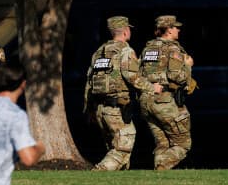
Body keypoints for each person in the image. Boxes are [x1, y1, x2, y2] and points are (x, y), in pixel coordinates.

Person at [84, 16, 162, 171]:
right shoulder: (125, 51)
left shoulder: (99, 52)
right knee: (123, 147)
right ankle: (99, 172)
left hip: (100, 109)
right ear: (126, 32)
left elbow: (89, 82)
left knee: (115, 148)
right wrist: (151, 88)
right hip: (116, 109)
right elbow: (132, 77)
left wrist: (90, 110)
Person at [138, 15, 196, 170]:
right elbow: (176, 76)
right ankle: (162, 166)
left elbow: (139, 73)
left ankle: (161, 178)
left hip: (146, 100)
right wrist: (188, 65)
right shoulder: (173, 48)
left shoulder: (147, 48)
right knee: (183, 144)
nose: (178, 30)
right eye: (176, 27)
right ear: (169, 30)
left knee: (162, 142)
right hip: (164, 101)